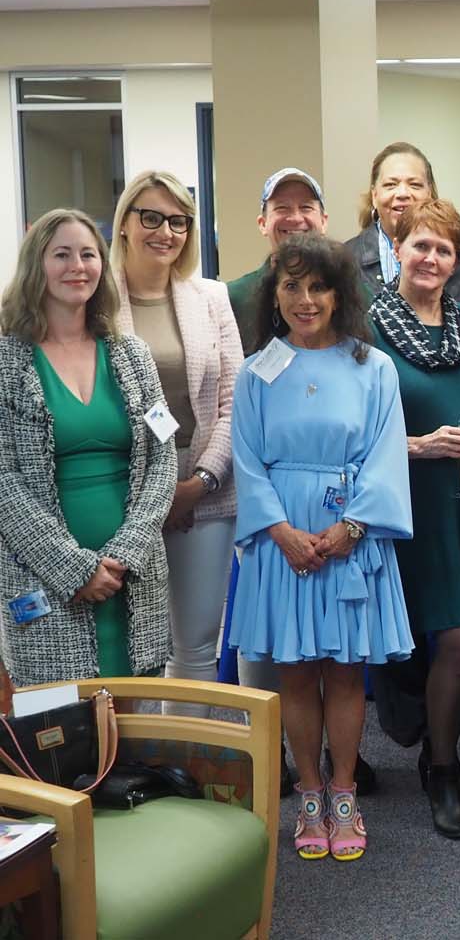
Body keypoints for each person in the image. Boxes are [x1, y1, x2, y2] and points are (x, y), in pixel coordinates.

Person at [230, 234, 414, 863]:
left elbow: (388, 455)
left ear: (339, 294)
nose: (305, 300)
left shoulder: (373, 366)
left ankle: (344, 792)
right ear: (273, 295)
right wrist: (280, 532)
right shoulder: (256, 371)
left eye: (318, 287)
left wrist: (352, 528)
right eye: (291, 287)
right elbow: (247, 462)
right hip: (282, 541)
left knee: (344, 674)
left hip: (349, 539)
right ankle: (307, 793)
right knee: (295, 675)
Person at [368, 199, 460, 840]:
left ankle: (441, 753)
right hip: (406, 505)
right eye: (420, 245)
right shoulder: (363, 331)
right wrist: (419, 446)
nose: (431, 258)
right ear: (397, 247)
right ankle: (443, 771)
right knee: (455, 639)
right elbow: (346, 435)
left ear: (458, 261)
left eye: (445, 250)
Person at [0, 209, 175, 686]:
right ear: (37, 266)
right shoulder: (6, 361)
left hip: (131, 576)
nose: (77, 266)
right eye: (61, 255)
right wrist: (75, 569)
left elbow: (164, 457)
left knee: (139, 726)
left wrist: (127, 551)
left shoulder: (132, 355)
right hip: (44, 579)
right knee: (58, 735)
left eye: (88, 254)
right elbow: (4, 483)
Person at [109, 171, 244, 714]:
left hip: (204, 490)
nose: (165, 231)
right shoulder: (94, 299)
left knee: (194, 644)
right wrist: (152, 497)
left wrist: (198, 482)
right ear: (123, 223)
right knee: (133, 645)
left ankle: (180, 762)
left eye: (178, 221)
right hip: (121, 493)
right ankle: (131, 764)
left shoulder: (210, 297)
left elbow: (236, 400)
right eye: (151, 217)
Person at [346, 142, 460, 315]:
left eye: (415, 185)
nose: (403, 193)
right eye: (391, 185)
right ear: (375, 196)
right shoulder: (346, 260)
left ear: (430, 194)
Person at [225, 168, 329, 353]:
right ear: (262, 224)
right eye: (282, 208)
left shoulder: (349, 292)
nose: (296, 218)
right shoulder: (233, 299)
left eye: (306, 207)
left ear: (324, 222)